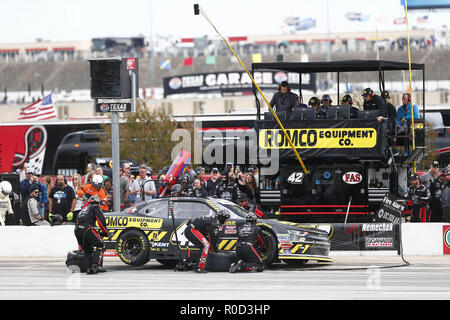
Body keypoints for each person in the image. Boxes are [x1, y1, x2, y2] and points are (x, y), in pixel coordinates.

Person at [74, 195, 109, 274]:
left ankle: (89, 269)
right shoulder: (95, 206)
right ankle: (96, 265)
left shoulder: (83, 209)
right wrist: (105, 232)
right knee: (101, 245)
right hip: (87, 229)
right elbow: (101, 220)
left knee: (87, 249)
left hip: (77, 230)